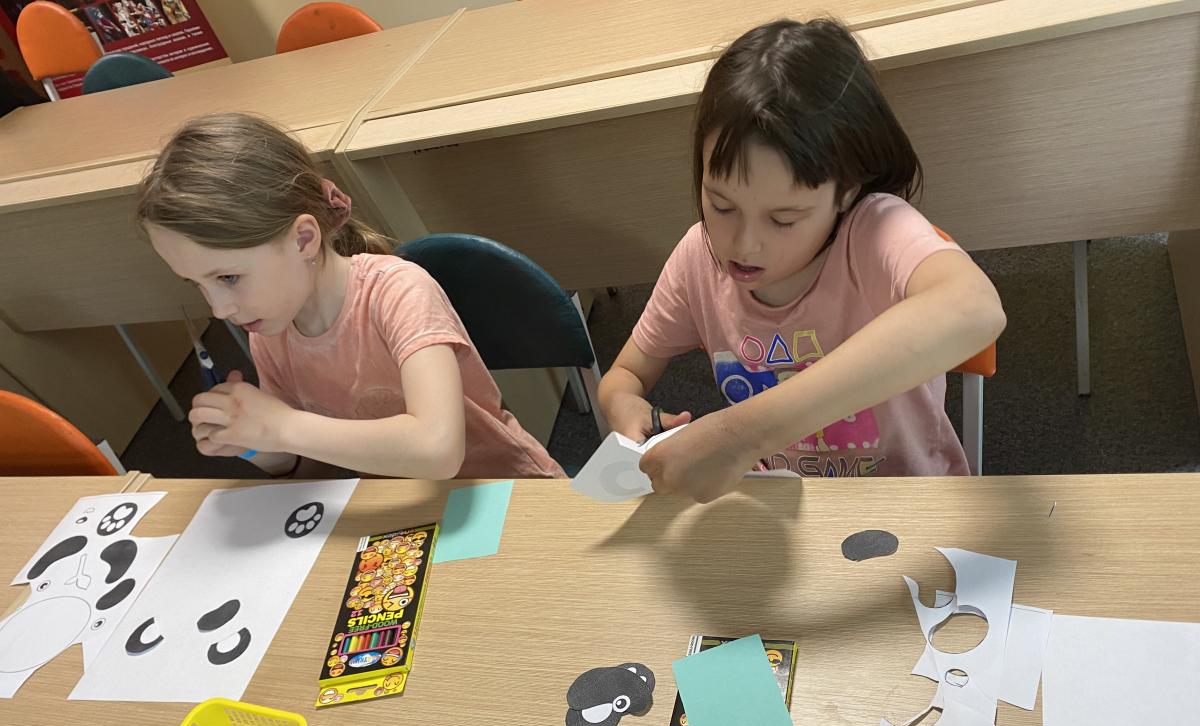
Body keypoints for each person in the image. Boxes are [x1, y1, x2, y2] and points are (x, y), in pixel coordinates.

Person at [598, 19, 1006, 501]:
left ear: (846, 190)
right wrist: (625, 405)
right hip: (786, 503)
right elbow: (623, 376)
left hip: (905, 499)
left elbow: (974, 309)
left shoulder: (872, 233)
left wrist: (741, 435)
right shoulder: (697, 258)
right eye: (721, 206)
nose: (744, 245)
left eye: (784, 219)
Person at [135, 112, 563, 480]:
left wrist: (282, 426)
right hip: (403, 512)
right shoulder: (269, 330)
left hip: (508, 492)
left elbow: (438, 450)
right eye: (196, 284)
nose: (219, 310)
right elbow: (311, 467)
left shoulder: (397, 290)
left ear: (304, 239)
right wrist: (253, 443)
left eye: (228, 277)